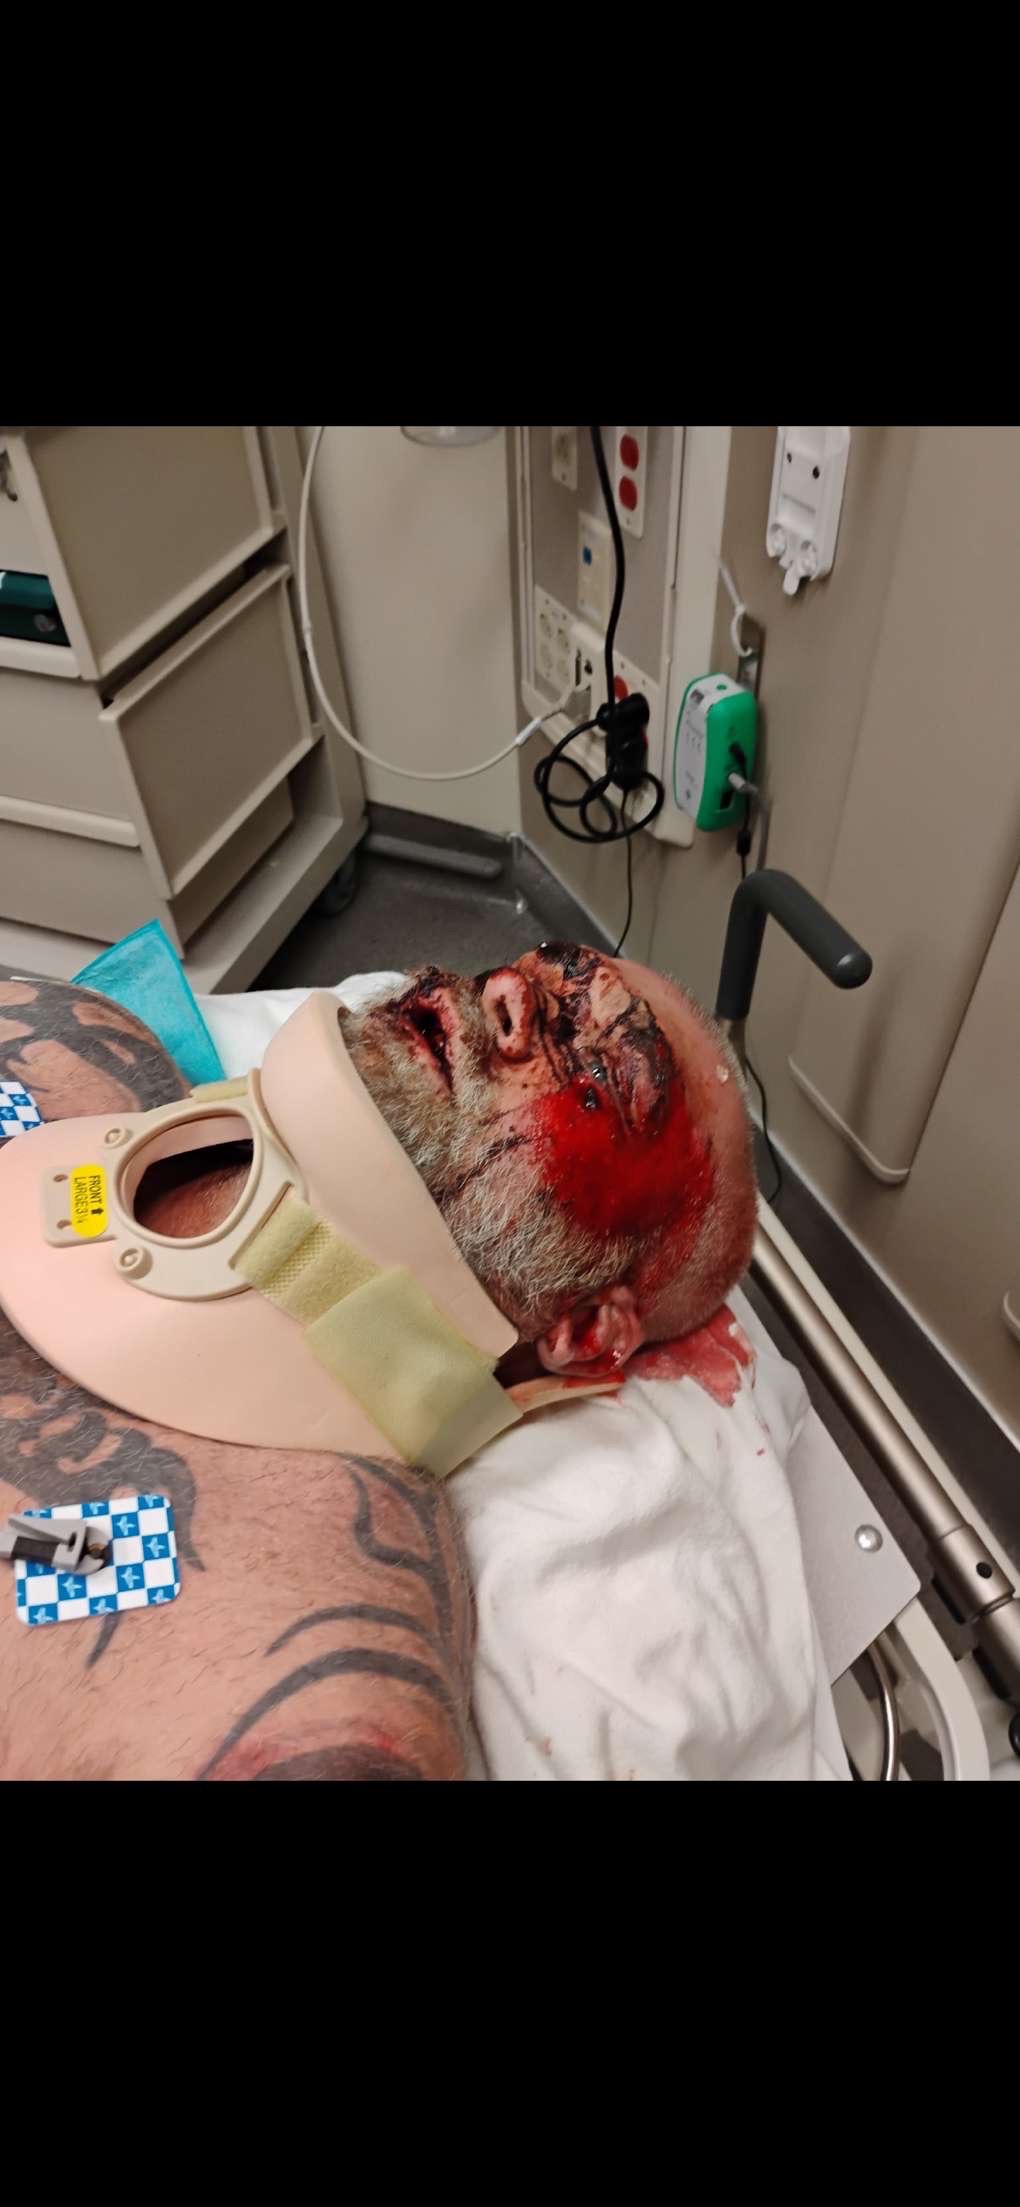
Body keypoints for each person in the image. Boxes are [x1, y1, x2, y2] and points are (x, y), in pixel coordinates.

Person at [0, 945, 757, 1781]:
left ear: (581, 1332)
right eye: (531, 970)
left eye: (602, 1075)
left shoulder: (296, 1656)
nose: (502, 990)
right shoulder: (69, 1040)